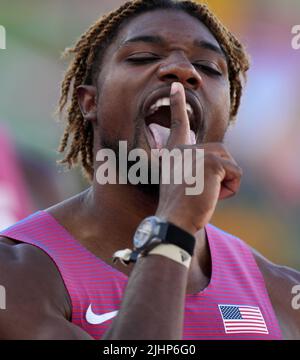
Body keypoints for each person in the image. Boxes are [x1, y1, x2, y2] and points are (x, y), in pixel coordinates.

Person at [0, 0, 299, 340]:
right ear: (90, 102)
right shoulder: (16, 273)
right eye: (143, 57)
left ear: (228, 110)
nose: (182, 70)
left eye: (208, 66)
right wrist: (174, 229)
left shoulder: (283, 293)